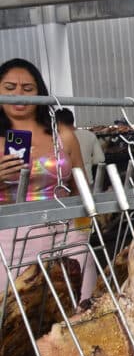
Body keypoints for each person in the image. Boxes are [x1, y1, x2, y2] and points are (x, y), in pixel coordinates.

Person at [0, 58, 95, 303]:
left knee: (82, 310)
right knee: (17, 323)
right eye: (10, 88)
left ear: (40, 93)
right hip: (9, 244)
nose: (19, 94)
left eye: (28, 88)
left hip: (66, 236)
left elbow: (82, 189)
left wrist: (84, 232)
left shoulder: (63, 135)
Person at [53, 108, 105, 184]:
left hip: (66, 184)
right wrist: (87, 162)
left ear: (58, 122)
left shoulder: (57, 138)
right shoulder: (90, 135)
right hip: (87, 181)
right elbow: (100, 158)